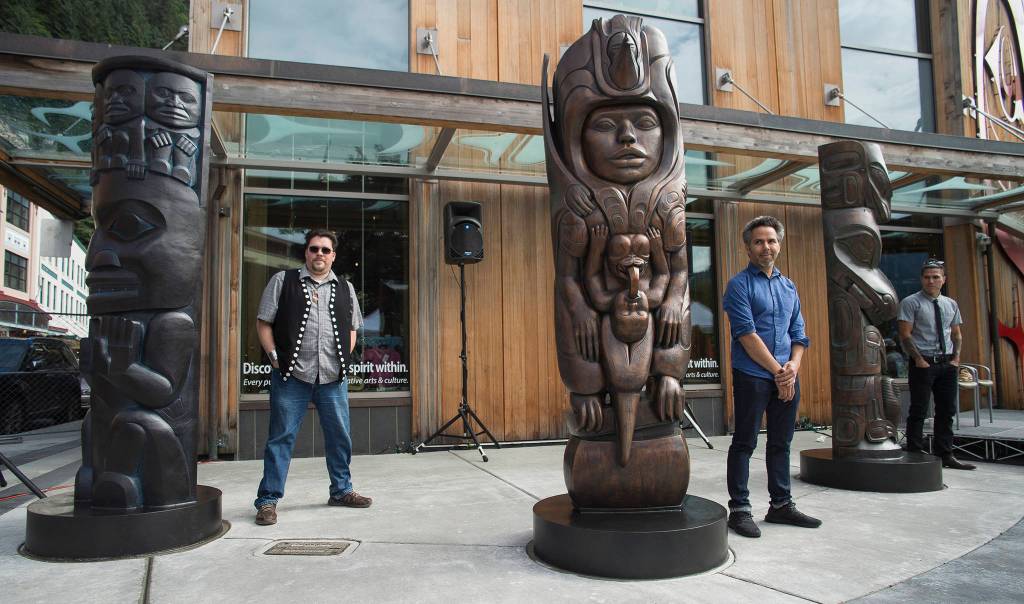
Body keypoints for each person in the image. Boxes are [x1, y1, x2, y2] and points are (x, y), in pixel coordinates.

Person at [253, 228, 371, 526]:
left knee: (339, 437)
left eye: (325, 250)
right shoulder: (283, 281)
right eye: (314, 248)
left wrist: (344, 357)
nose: (319, 254)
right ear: (306, 252)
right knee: (280, 438)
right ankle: (268, 500)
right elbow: (264, 322)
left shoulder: (345, 287)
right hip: (292, 375)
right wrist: (275, 358)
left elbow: (353, 328)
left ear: (333, 255)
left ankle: (342, 491)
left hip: (333, 376)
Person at [722, 216, 822, 538]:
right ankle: (739, 510)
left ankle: (781, 505)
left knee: (781, 442)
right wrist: (779, 371)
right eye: (759, 242)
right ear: (748, 248)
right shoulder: (739, 285)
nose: (766, 247)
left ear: (779, 244)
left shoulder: (788, 285)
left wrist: (793, 366)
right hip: (753, 375)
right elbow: (746, 334)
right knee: (745, 443)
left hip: (786, 376)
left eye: (771, 241)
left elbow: (799, 333)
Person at [897, 258, 975, 470]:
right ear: (921, 279)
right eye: (927, 277)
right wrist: (919, 360)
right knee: (919, 409)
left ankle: (945, 453)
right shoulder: (911, 302)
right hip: (923, 362)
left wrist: (956, 358)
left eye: (935, 277)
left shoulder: (950, 304)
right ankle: (914, 450)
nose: (931, 281)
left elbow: (956, 333)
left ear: (943, 279)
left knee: (946, 410)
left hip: (947, 363)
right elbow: (905, 334)